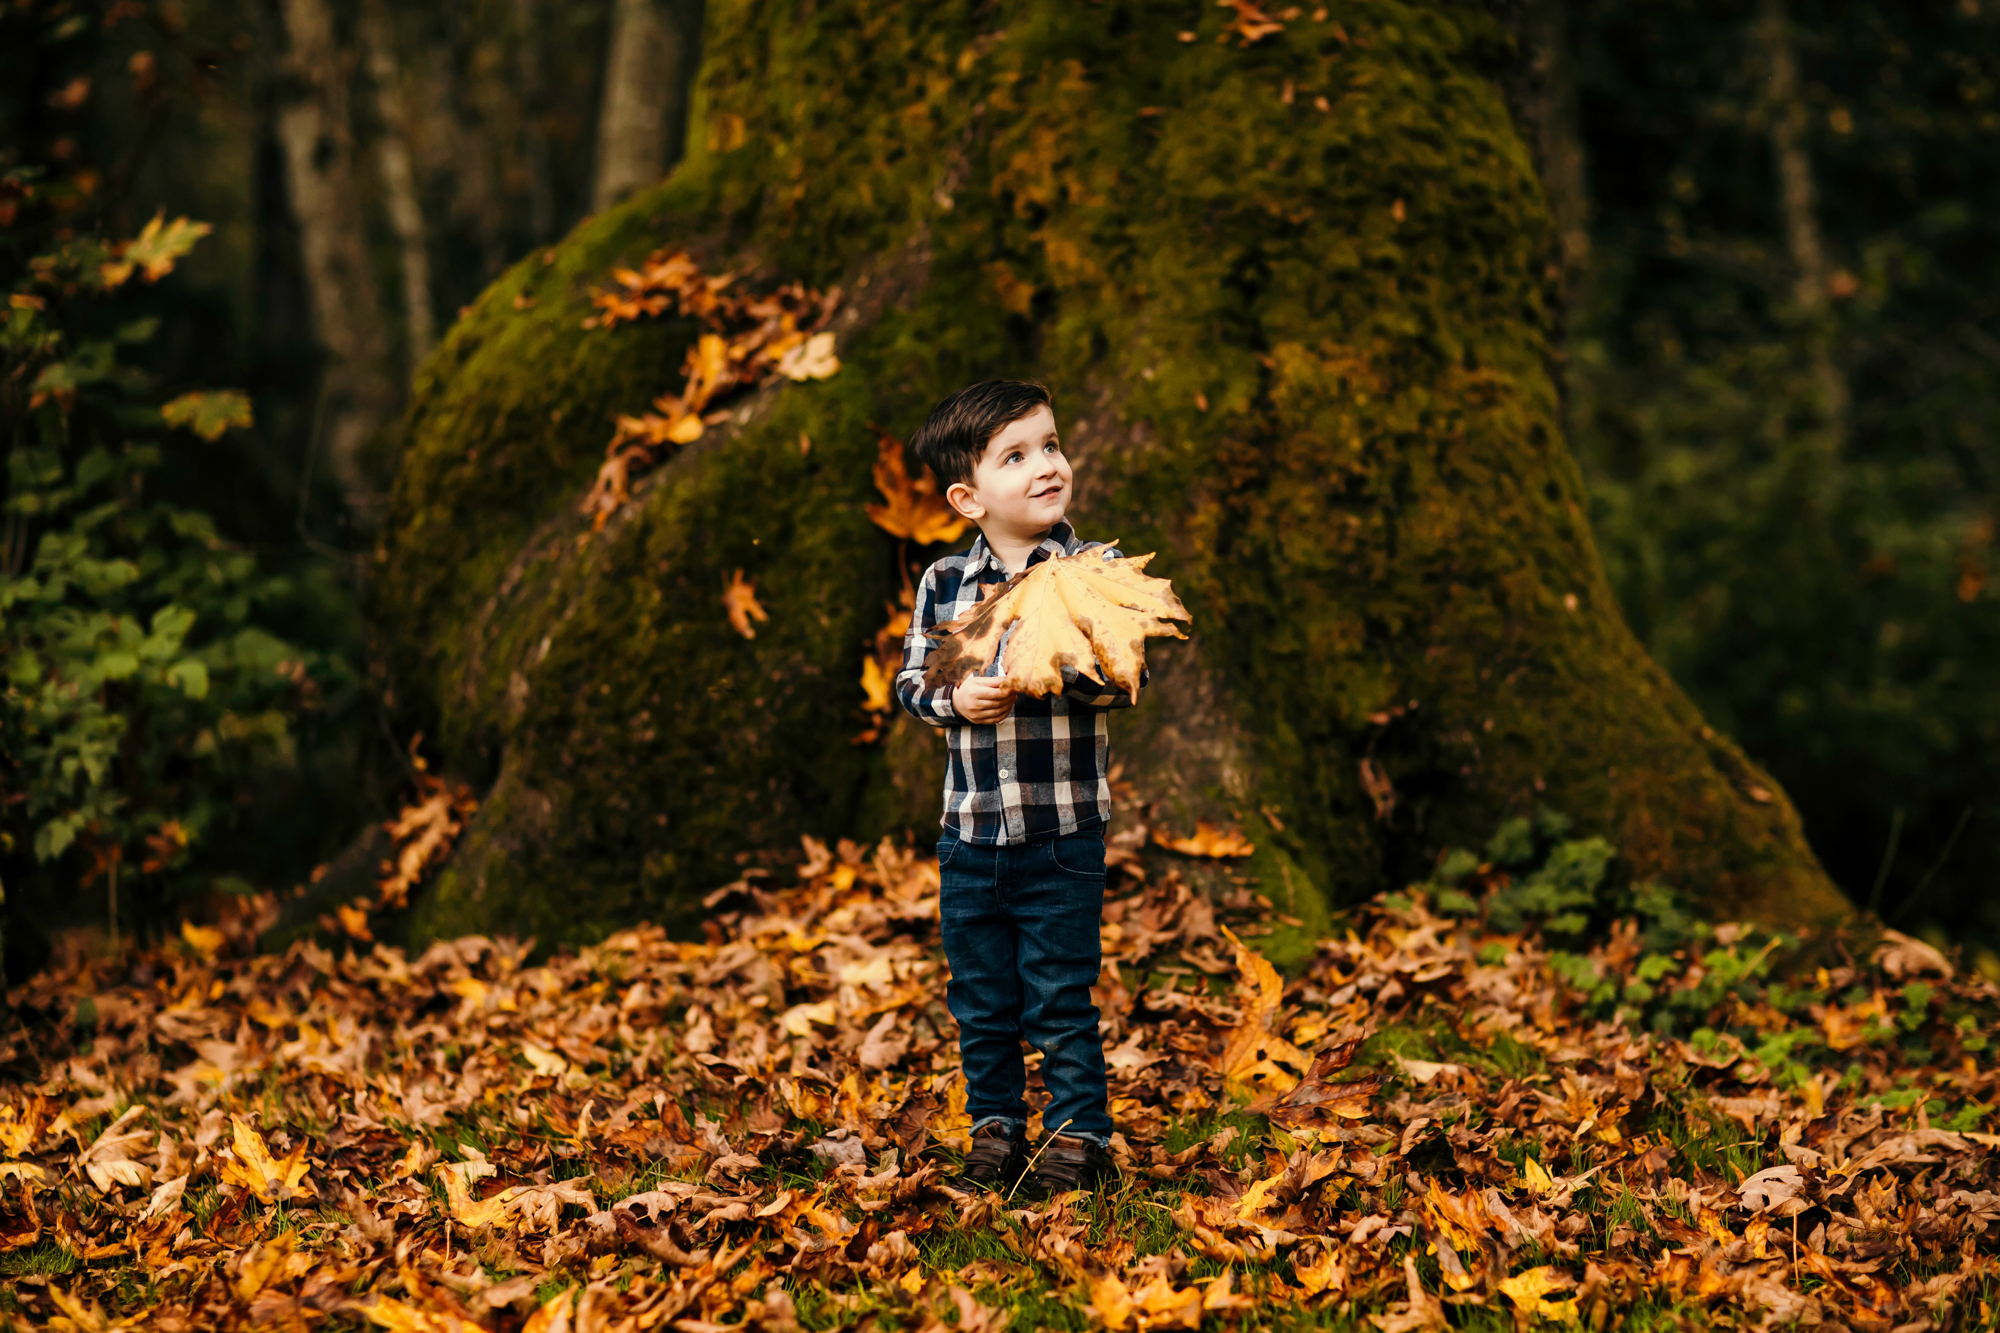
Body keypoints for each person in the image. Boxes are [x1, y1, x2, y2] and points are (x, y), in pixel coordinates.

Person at [895, 379, 1136, 1201]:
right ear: (969, 496)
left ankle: (1080, 1137)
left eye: (1051, 445)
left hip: (1062, 833)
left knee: (1061, 995)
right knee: (983, 998)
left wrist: (1052, 665)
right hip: (968, 835)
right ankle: (995, 1130)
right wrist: (954, 699)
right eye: (1017, 455)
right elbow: (913, 683)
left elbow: (1116, 680)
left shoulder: (1090, 571)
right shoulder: (943, 586)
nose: (1046, 466)